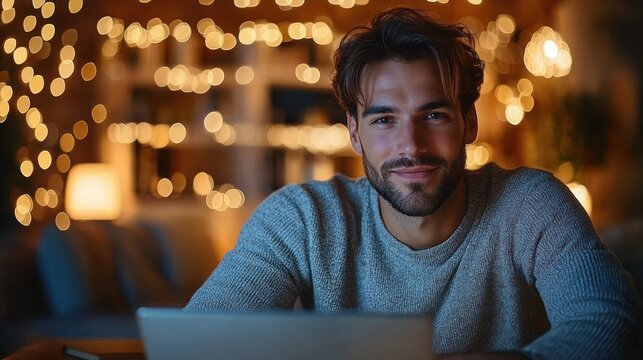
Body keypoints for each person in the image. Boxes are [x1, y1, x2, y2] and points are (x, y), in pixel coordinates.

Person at [186, 7, 640, 359]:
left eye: (435, 115)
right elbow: (199, 341)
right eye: (384, 119)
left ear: (468, 123)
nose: (412, 145)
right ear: (354, 132)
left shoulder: (530, 204)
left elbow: (610, 323)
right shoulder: (301, 220)